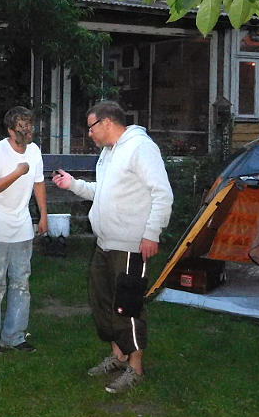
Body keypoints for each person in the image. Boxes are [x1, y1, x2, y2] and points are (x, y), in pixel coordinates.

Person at [53, 100, 173, 393]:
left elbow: (162, 194)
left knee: (128, 306)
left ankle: (136, 367)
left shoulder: (140, 148)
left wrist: (151, 234)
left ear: (107, 123)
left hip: (131, 244)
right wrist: (73, 184)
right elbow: (101, 192)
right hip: (105, 243)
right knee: (102, 302)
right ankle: (118, 357)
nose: (90, 134)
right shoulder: (108, 154)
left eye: (91, 127)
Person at [0, 106, 48, 353]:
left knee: (21, 284)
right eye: (23, 127)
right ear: (10, 130)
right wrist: (17, 172)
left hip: (22, 228)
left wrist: (44, 215)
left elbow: (39, 183)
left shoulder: (35, 152)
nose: (29, 130)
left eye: (30, 125)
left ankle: (15, 336)